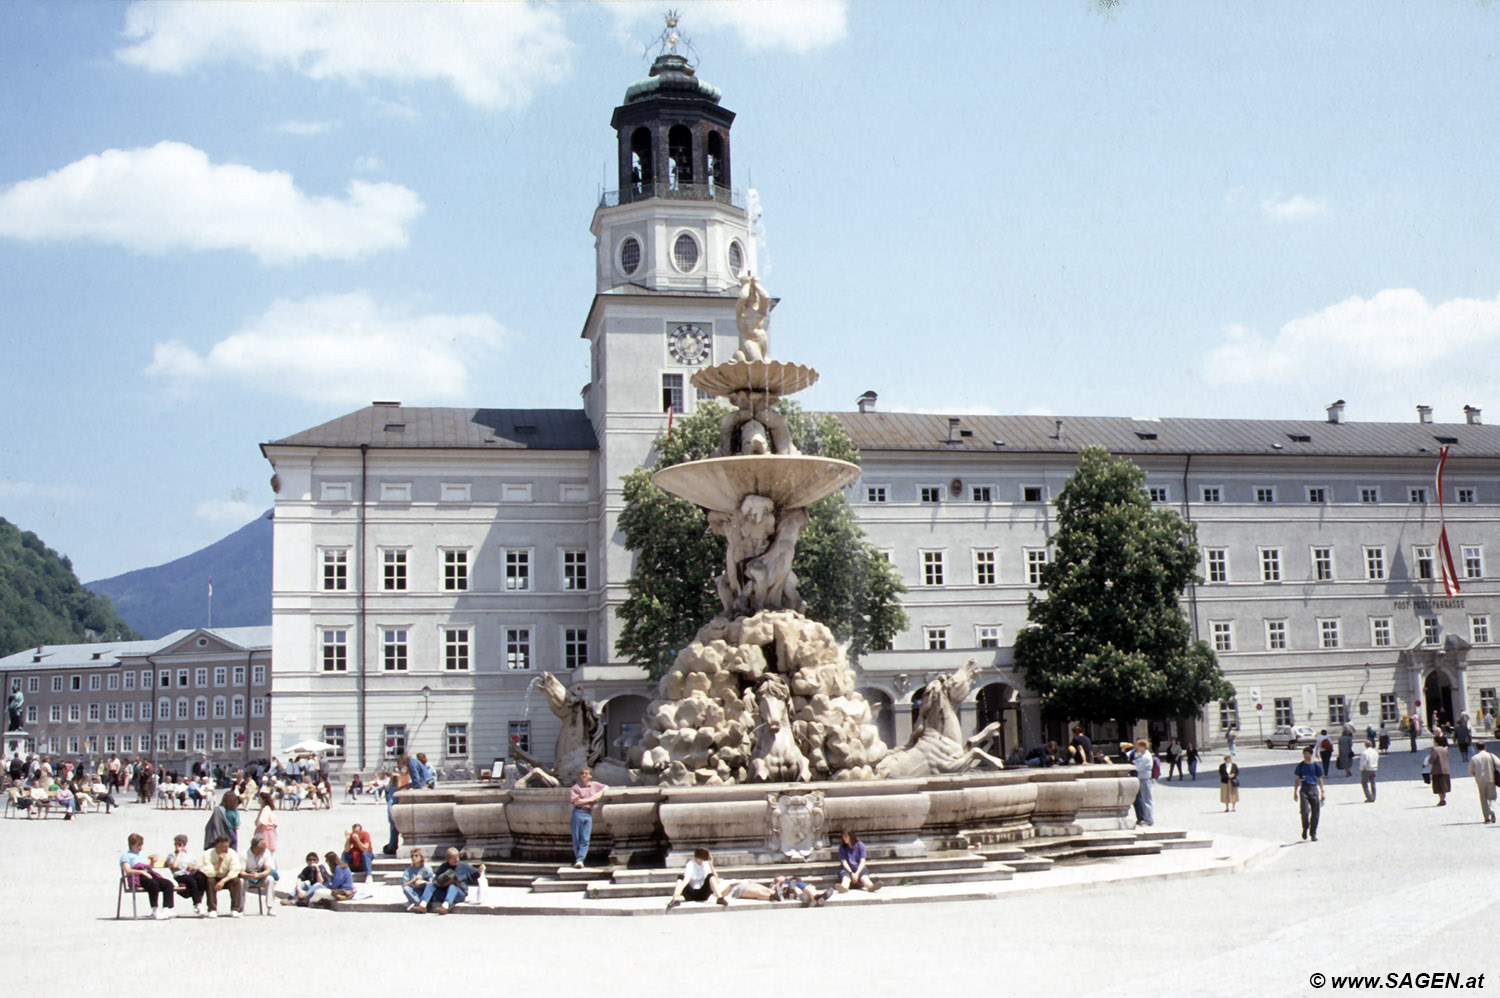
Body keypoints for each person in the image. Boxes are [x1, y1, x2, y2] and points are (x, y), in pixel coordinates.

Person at [119, 833, 176, 920]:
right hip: (137, 877)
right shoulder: (126, 856)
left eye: (141, 845)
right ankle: (155, 910)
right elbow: (127, 870)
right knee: (153, 884)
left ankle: (166, 909)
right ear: (132, 845)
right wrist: (141, 872)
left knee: (168, 884)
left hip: (147, 873)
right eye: (138, 845)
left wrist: (152, 862)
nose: (140, 847)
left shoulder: (142, 855)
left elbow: (148, 868)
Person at [417, 847, 483, 914]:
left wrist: (481, 869)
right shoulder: (443, 867)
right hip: (444, 892)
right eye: (454, 859)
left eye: (457, 857)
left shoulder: (463, 866)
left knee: (452, 886)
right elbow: (435, 881)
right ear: (448, 859)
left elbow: (477, 873)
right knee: (430, 885)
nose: (457, 860)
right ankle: (423, 905)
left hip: (458, 894)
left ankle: (445, 907)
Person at [569, 766, 607, 869]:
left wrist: (599, 793)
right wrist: (591, 799)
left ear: (590, 775)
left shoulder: (594, 785)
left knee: (585, 838)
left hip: (588, 813)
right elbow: (576, 801)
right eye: (582, 773)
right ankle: (578, 858)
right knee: (576, 837)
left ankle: (580, 859)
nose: (584, 775)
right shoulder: (576, 787)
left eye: (586, 773)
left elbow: (606, 787)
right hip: (578, 812)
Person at [197, 835, 244, 917]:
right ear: (217, 847)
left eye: (227, 846)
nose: (226, 849)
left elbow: (235, 870)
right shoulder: (208, 854)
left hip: (227, 877)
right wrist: (220, 861)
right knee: (210, 881)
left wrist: (223, 881)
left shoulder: (232, 853)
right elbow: (209, 872)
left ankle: (235, 909)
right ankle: (212, 909)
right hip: (214, 876)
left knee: (236, 881)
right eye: (223, 847)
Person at [165, 833, 208, 915]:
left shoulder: (188, 855)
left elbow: (196, 866)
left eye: (180, 844)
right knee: (191, 881)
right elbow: (174, 866)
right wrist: (179, 853)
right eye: (176, 844)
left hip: (190, 873)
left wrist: (193, 867)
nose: (177, 846)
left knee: (202, 877)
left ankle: (199, 901)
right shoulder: (172, 855)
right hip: (180, 874)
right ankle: (197, 904)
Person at [1292, 746, 1325, 841]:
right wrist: (1295, 792)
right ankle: (1305, 828)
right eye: (1304, 754)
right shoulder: (1301, 765)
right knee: (1304, 811)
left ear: (1311, 754)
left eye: (1307, 753)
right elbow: (1297, 778)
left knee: (1315, 813)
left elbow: (1320, 778)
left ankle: (1313, 833)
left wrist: (1323, 791)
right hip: (1304, 789)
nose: (1305, 755)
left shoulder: (1315, 766)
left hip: (1313, 789)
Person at [240, 835, 278, 915]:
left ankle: (270, 908)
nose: (264, 849)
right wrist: (249, 876)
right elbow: (241, 872)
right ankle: (240, 908)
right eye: (262, 848)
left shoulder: (266, 852)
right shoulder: (244, 854)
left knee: (270, 879)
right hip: (248, 877)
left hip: (261, 876)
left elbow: (268, 869)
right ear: (255, 848)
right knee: (240, 881)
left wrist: (259, 875)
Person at [1123, 739, 1154, 826]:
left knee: (1146, 800)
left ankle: (1149, 820)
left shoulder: (1146, 756)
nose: (1136, 747)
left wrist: (1135, 760)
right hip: (1141, 778)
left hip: (1145, 779)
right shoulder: (1142, 754)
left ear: (1143, 746)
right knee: (1143, 799)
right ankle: (1146, 818)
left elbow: (1137, 766)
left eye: (1138, 746)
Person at [1467, 741, 1497, 824]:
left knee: (1483, 798)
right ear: (1485, 747)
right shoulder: (1490, 756)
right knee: (1492, 797)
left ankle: (1486, 817)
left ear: (1477, 748)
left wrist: (1476, 775)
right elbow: (1499, 763)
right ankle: (1492, 808)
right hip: (1491, 778)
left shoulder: (1474, 758)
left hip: (1480, 780)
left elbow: (1470, 771)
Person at [1428, 734, 1452, 806]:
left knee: (1438, 786)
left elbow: (1432, 759)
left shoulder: (1435, 749)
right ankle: (1443, 798)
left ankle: (1441, 799)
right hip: (1446, 769)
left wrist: (1429, 761)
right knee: (1444, 785)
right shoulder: (1445, 749)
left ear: (1436, 742)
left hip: (1437, 770)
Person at [254, 792, 278, 857]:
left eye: (260, 798)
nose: (258, 799)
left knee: (265, 852)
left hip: (265, 831)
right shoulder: (266, 808)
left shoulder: (266, 809)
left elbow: (264, 823)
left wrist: (259, 834)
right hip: (269, 830)